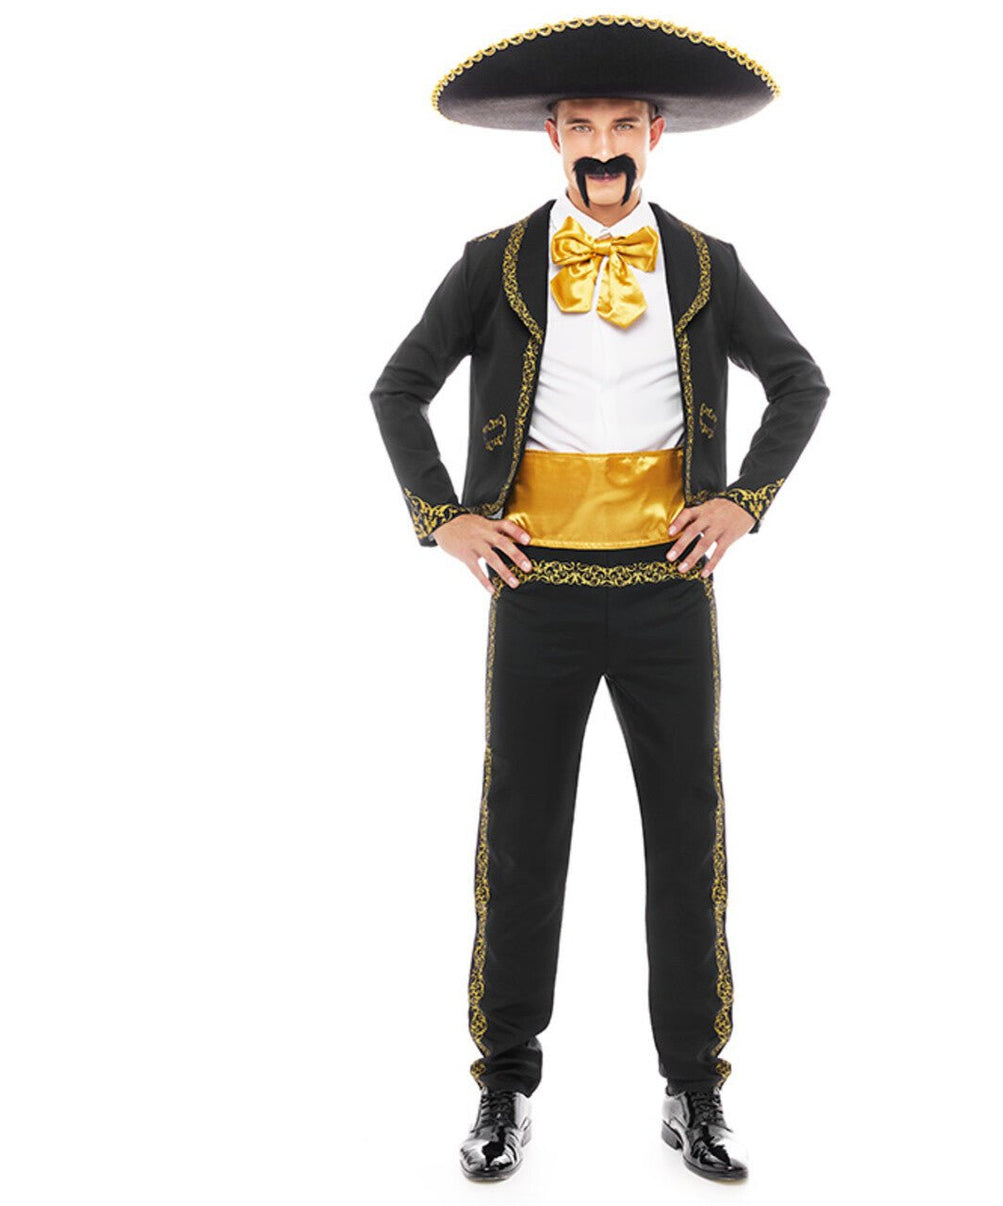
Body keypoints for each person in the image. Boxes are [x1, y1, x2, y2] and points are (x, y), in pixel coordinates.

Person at [369, 15, 830, 1182]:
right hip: (536, 590)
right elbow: (398, 388)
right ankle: (504, 1084)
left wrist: (744, 502)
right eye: (584, 125)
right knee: (523, 837)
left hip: (671, 589)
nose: (605, 144)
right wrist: (444, 517)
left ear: (656, 136)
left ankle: (695, 1087)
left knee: (686, 832)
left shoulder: (708, 262)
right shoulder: (495, 262)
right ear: (554, 139)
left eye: (625, 123)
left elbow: (799, 382)